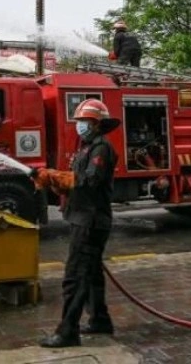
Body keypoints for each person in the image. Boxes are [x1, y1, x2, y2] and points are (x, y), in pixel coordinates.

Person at [32, 99, 120, 348]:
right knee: (91, 274)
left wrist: (57, 176)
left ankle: (68, 332)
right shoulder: (87, 147)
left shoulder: (101, 148)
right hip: (84, 217)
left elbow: (89, 182)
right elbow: (75, 181)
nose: (79, 126)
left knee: (75, 276)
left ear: (96, 124)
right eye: (79, 121)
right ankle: (100, 321)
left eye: (84, 122)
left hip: (90, 221)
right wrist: (50, 178)